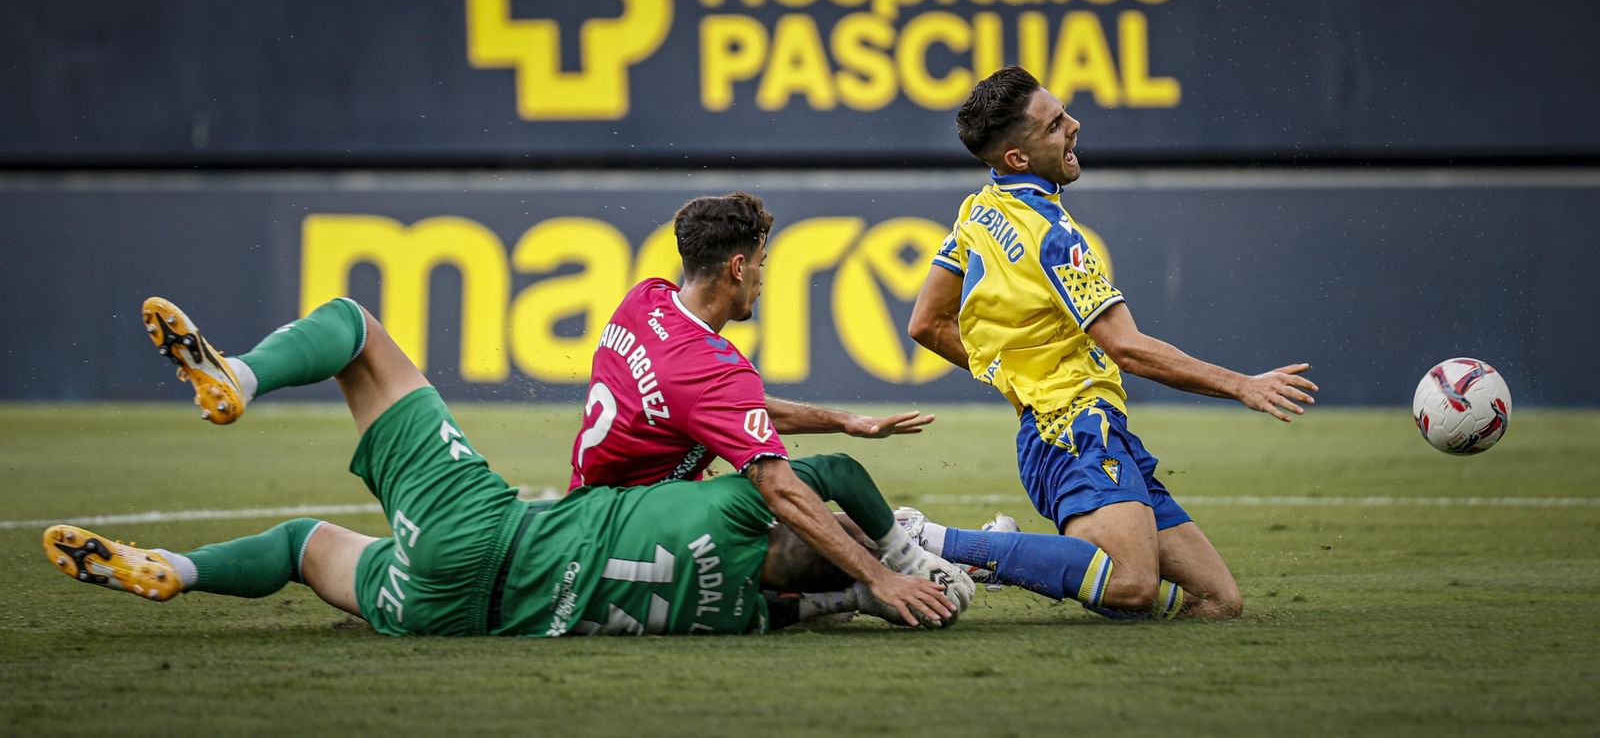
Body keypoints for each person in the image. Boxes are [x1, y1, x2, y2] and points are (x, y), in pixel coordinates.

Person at [41, 295, 970, 636]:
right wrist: (874, 580)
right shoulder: (743, 614)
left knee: (358, 330)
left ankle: (238, 379)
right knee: (303, 545)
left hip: (485, 536)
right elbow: (809, 553)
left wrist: (889, 568)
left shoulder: (728, 509)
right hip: (444, 614)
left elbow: (815, 485)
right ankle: (180, 571)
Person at [902, 65, 1319, 620]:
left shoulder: (978, 211)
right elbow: (1127, 347)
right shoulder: (1056, 237)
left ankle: (998, 554)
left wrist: (1016, 380)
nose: (1074, 126)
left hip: (1092, 425)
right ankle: (935, 541)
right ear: (1017, 158)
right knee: (1130, 584)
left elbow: (927, 324)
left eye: (1063, 112)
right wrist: (1240, 385)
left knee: (1219, 603)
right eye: (1054, 126)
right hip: (1072, 433)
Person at [570, 191, 945, 599]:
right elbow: (779, 488)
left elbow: (712, 406)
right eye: (759, 264)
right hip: (638, 541)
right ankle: (859, 592)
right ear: (737, 267)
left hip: (586, 512)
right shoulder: (714, 369)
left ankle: (949, 555)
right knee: (832, 541)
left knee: (856, 531)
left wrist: (843, 421)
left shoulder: (645, 300)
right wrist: (879, 578)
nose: (761, 278)